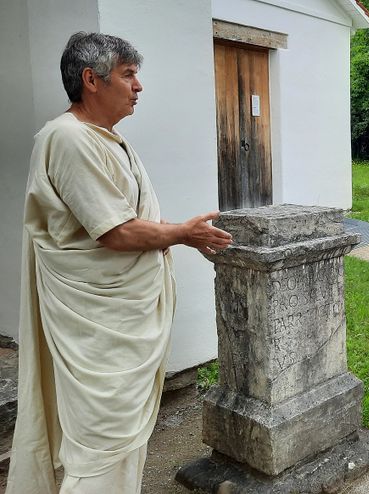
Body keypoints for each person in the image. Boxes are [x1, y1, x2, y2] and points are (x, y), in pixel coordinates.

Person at [6, 32, 233, 494]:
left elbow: (124, 218)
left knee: (121, 443)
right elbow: (115, 232)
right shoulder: (68, 139)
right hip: (97, 331)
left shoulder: (105, 139)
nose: (139, 86)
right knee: (101, 443)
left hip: (116, 323)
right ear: (92, 80)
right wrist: (182, 234)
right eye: (129, 75)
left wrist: (165, 229)